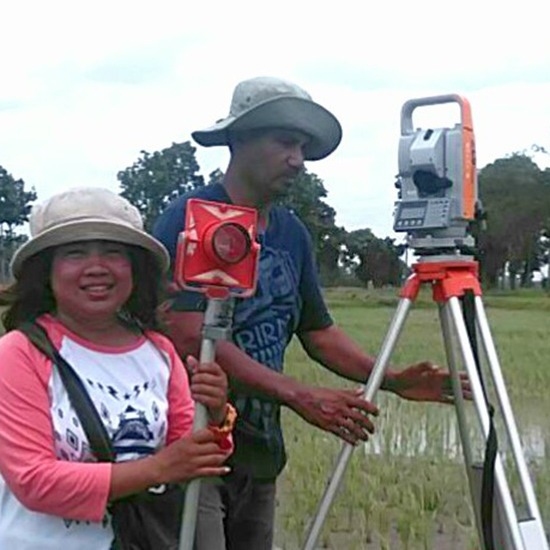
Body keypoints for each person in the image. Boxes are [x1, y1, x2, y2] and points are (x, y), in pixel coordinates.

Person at [153, 76, 471, 550]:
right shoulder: (191, 216)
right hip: (194, 442)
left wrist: (393, 379)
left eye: (302, 147)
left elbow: (318, 333)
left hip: (261, 450)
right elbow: (187, 334)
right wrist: (299, 394)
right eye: (285, 143)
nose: (298, 160)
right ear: (239, 140)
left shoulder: (291, 233)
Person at [0, 187, 236, 550]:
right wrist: (159, 469)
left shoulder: (160, 351)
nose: (97, 267)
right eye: (74, 252)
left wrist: (217, 412)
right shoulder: (18, 353)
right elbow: (34, 481)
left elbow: (192, 458)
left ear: (134, 268)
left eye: (113, 252)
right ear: (46, 270)